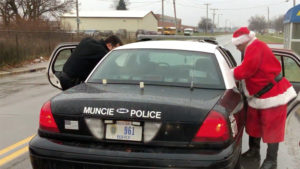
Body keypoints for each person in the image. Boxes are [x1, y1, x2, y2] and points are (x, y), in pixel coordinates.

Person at [231, 27, 297, 169]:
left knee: (272, 129)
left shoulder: (255, 47)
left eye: (237, 45)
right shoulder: (250, 48)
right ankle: (254, 152)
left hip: (273, 95)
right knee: (254, 125)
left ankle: (271, 160)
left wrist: (229, 73)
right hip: (258, 97)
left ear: (243, 41)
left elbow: (246, 70)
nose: (236, 48)